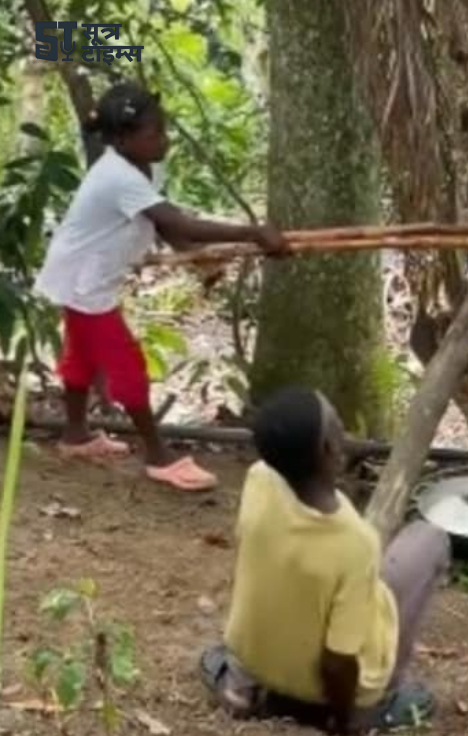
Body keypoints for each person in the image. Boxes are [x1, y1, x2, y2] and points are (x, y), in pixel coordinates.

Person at [36, 82, 289, 492]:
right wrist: (253, 232)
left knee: (81, 359)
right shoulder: (117, 175)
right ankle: (158, 457)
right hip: (84, 282)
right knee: (126, 367)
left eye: (163, 130)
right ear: (121, 139)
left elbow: (161, 222)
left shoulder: (143, 167)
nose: (163, 139)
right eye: (152, 133)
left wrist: (198, 262)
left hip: (85, 275)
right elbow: (178, 223)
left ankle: (76, 435)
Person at [200, 388, 450, 736]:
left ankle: (244, 684)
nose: (344, 428)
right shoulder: (354, 543)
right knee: (429, 539)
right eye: (338, 424)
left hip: (253, 662)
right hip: (327, 689)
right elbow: (337, 662)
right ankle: (378, 701)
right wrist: (342, 719)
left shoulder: (260, 480)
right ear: (330, 450)